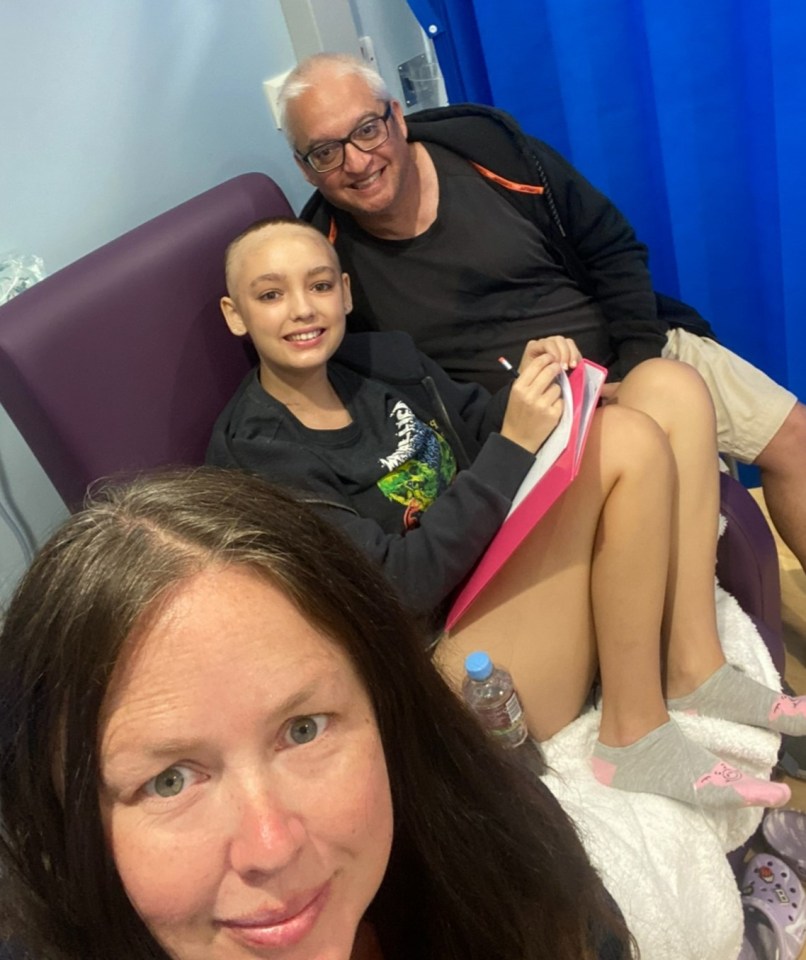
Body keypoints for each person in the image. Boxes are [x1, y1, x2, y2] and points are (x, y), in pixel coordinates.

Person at [206, 217, 804, 811]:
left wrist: (549, 384)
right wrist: (516, 446)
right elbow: (395, 589)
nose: (303, 309)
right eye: (271, 295)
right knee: (625, 441)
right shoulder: (260, 451)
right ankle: (634, 733)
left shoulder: (378, 361)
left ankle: (694, 668)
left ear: (346, 292)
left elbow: (478, 421)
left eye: (319, 286)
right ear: (236, 315)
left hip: (494, 570)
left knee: (667, 383)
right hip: (446, 667)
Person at [0, 468, 635, 960]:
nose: (271, 847)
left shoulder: (507, 865)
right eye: (170, 780)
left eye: (302, 731)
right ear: (65, 820)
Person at [277, 52, 806, 579]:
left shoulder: (494, 157)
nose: (357, 161)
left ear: (397, 116)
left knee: (795, 438)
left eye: (368, 129)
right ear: (303, 167)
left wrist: (636, 363)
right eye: (325, 151)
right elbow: (402, 402)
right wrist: (528, 415)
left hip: (632, 349)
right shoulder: (326, 266)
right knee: (673, 499)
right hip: (527, 422)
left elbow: (613, 248)